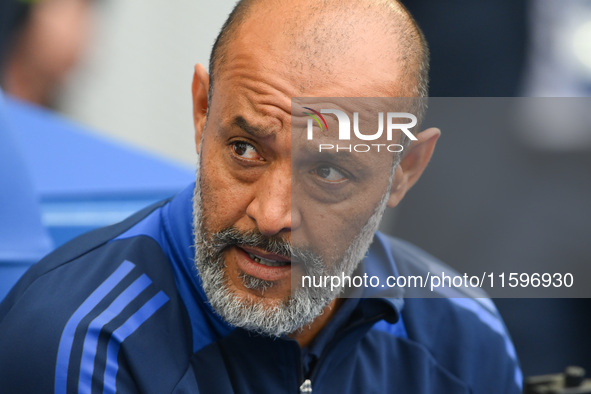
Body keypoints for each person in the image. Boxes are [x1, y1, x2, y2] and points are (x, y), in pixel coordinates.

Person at [0, 0, 522, 392]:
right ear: (203, 110)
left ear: (404, 170)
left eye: (330, 173)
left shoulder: (461, 334)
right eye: (245, 149)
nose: (271, 215)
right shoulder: (83, 342)